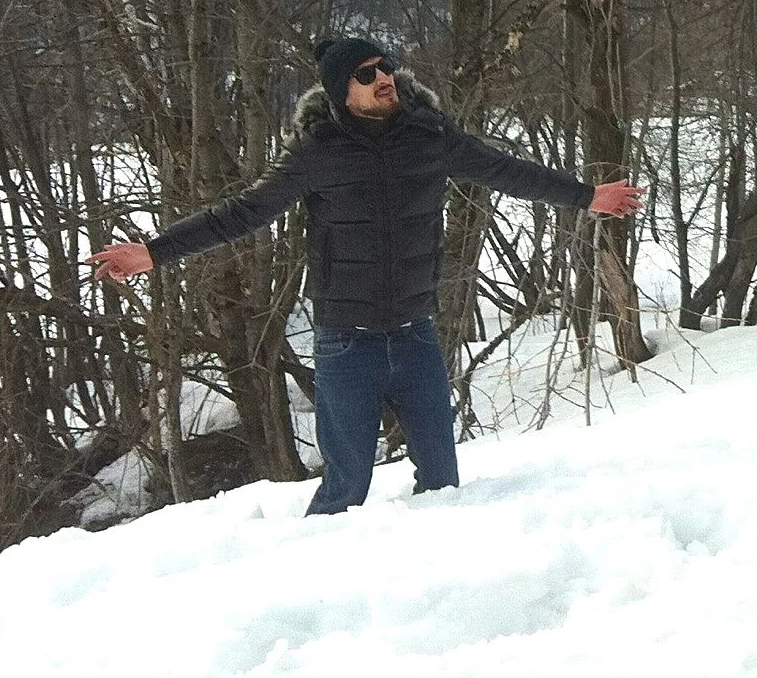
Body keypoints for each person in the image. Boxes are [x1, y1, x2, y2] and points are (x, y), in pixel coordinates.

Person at [87, 37, 645, 514]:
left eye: (386, 67)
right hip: (346, 343)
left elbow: (506, 171)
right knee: (346, 486)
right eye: (366, 74)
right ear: (341, 91)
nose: (384, 79)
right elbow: (244, 212)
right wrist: (154, 252)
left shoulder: (428, 135)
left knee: (443, 482)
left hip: (415, 335)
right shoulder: (316, 151)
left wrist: (588, 196)